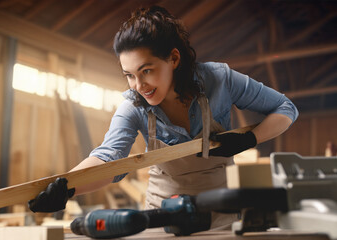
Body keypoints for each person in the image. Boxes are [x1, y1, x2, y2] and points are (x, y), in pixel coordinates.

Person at [28, 6, 298, 229]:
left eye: (146, 70)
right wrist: (67, 186)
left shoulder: (220, 80)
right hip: (161, 215)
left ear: (174, 58)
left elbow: (286, 109)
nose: (138, 85)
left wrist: (250, 139)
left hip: (221, 211)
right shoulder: (132, 105)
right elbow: (108, 159)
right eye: (130, 75)